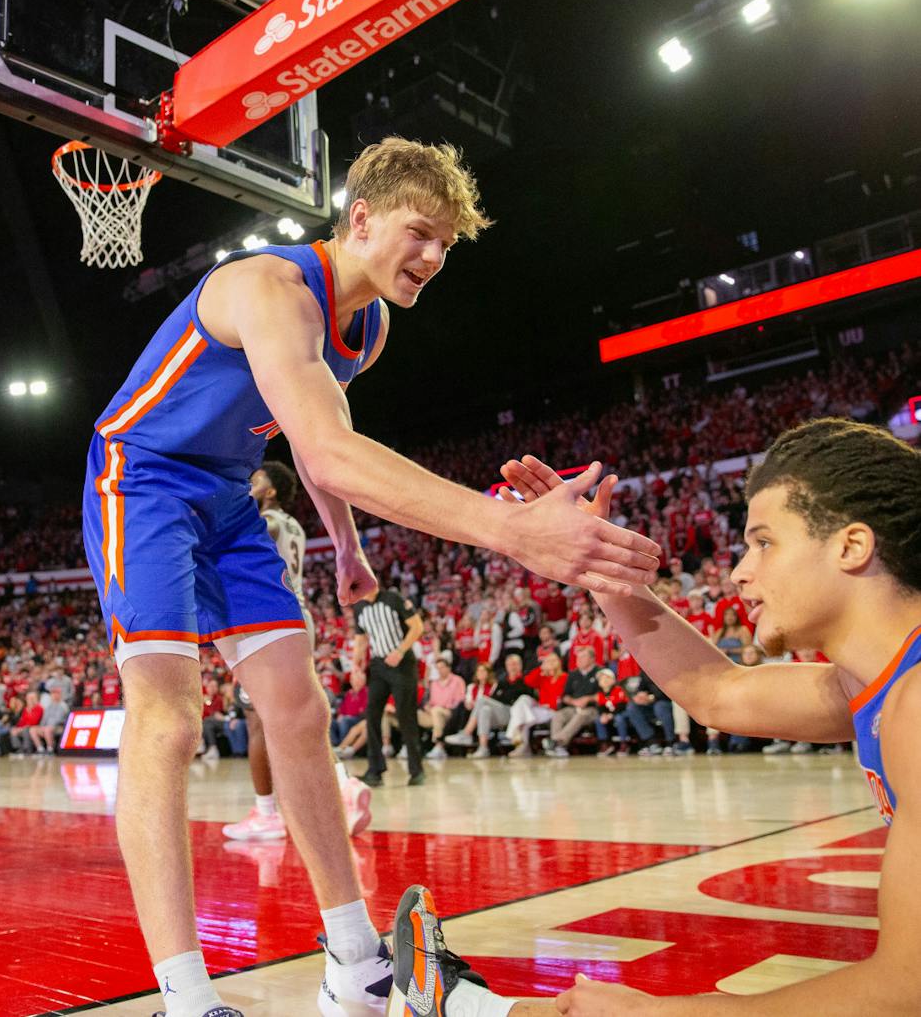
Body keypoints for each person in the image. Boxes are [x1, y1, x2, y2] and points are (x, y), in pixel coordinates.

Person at [81, 136, 656, 1017]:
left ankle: (354, 960)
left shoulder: (370, 327)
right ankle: (185, 998)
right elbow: (330, 448)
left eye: (445, 245)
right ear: (359, 218)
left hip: (229, 496)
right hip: (144, 478)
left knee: (301, 708)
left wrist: (347, 545)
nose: (430, 257)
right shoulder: (271, 289)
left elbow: (317, 440)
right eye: (418, 232)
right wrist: (509, 530)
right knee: (169, 717)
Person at [501, 420, 921, 1016]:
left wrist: (659, 1013)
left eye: (765, 543)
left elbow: (907, 989)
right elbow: (719, 693)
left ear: (851, 546)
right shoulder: (879, 679)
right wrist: (596, 565)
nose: (740, 572)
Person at [224, 461, 371, 843]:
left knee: (257, 722)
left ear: (270, 492)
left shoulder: (267, 522)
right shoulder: (296, 526)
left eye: (255, 481)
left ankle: (267, 813)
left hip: (269, 622)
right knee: (297, 718)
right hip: (298, 616)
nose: (249, 485)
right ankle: (342, 786)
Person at [357, 587, 425, 786]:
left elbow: (417, 627)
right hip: (378, 665)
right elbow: (360, 639)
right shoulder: (360, 606)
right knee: (372, 714)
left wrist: (400, 651)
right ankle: (375, 770)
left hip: (402, 663)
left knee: (406, 716)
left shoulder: (393, 598)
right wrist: (355, 666)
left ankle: (416, 770)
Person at [423, 654, 466, 761]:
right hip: (433, 713)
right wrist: (427, 707)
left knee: (437, 711)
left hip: (450, 713)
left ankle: (439, 746)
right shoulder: (433, 683)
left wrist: (442, 707)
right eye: (438, 668)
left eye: (442, 667)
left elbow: (460, 700)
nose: (440, 670)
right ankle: (408, 745)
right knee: (413, 714)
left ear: (448, 668)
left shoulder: (458, 680)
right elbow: (429, 701)